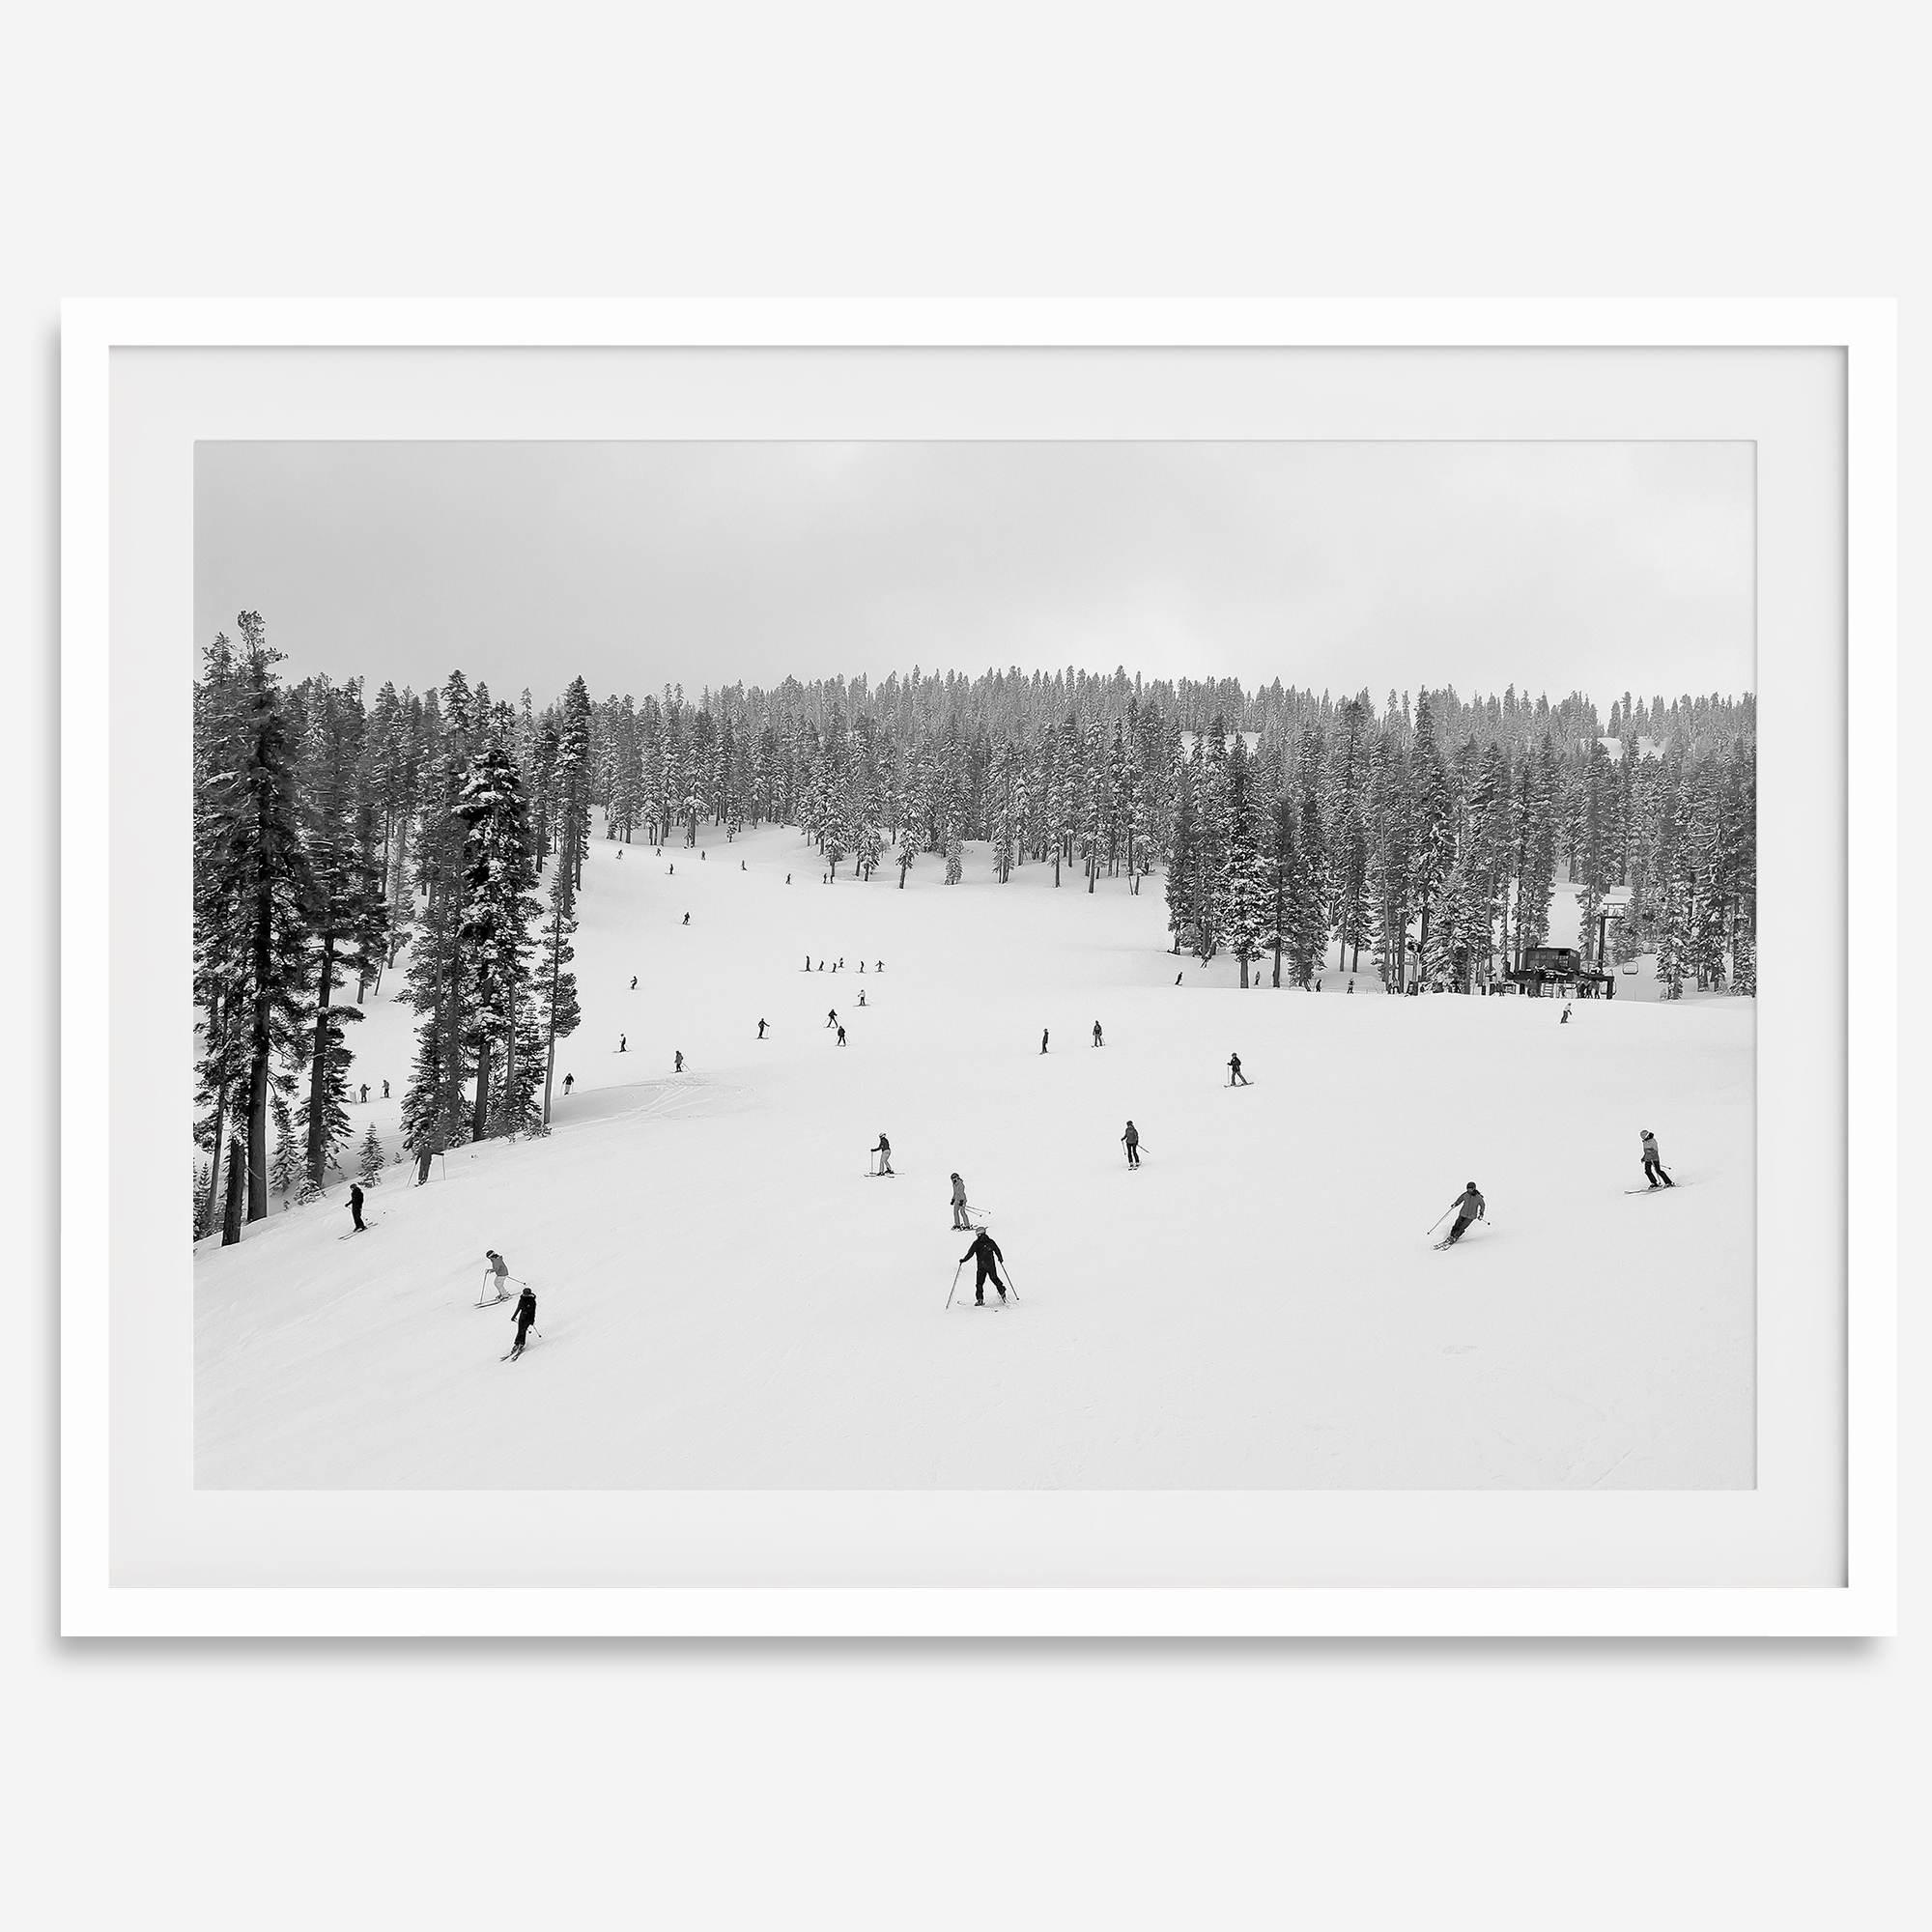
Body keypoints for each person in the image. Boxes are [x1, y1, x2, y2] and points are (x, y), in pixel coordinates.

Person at [958, 1228, 1009, 1305]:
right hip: (991, 1265)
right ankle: (1002, 1292)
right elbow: (997, 1250)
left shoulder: (976, 1243)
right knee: (994, 1278)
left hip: (981, 1266)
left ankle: (980, 1299)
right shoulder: (990, 1241)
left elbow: (970, 1253)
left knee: (979, 1283)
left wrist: (963, 1260)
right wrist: (1000, 1258)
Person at [1438, 1182, 1487, 1246]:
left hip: (1471, 1216)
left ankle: (1455, 1236)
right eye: (1468, 1189)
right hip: (1463, 1213)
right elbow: (1460, 1199)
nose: (1469, 1190)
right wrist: (1455, 1204)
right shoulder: (1465, 1194)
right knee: (1457, 1224)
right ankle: (1451, 1235)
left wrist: (1481, 1214)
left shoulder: (1478, 1197)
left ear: (1474, 1189)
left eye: (1471, 1189)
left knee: (1462, 1227)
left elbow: (1483, 1205)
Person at [507, 1281, 538, 1359]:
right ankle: (517, 1343)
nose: (524, 1295)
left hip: (528, 1318)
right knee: (520, 1330)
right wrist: (514, 1316)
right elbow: (518, 1308)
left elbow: (533, 1311)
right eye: (524, 1294)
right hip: (522, 1317)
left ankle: (522, 1343)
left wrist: (532, 1320)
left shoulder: (532, 1301)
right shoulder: (522, 1299)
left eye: (526, 1294)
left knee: (523, 1330)